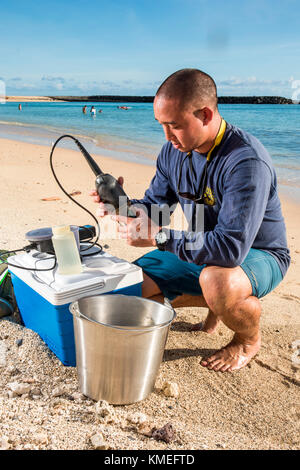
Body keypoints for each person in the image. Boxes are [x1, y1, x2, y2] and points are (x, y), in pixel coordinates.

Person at [90, 68, 290, 372]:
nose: (167, 136)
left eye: (175, 126)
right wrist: (123, 207)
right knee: (131, 284)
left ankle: (247, 338)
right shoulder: (173, 152)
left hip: (258, 253)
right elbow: (156, 206)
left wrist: (159, 237)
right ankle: (216, 306)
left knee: (217, 280)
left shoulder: (246, 161)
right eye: (161, 125)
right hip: (205, 248)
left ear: (206, 114)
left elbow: (229, 250)